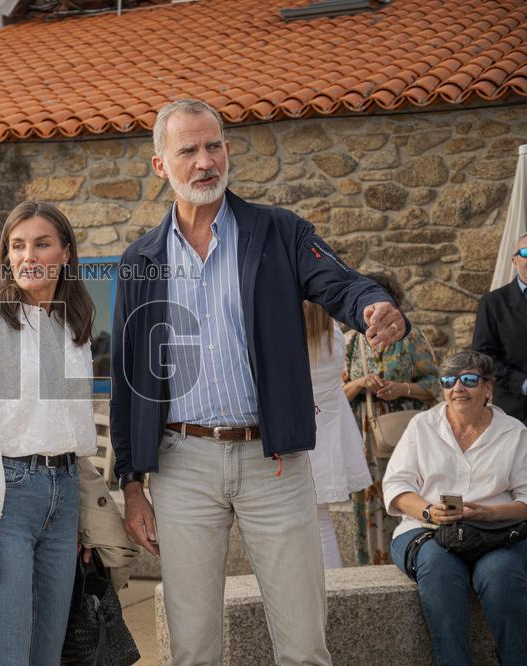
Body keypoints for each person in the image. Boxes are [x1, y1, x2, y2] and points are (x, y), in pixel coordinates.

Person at [110, 98, 408, 666]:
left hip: (273, 462)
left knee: (303, 644)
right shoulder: (140, 260)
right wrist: (131, 483)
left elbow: (344, 284)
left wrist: (375, 305)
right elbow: (130, 378)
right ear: (159, 165)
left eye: (214, 146)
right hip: (181, 465)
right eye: (189, 150)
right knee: (193, 649)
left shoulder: (279, 231)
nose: (205, 162)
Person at [0, 201, 97, 665]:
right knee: (8, 651)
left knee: (47, 652)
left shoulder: (74, 324)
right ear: (6, 257)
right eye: (18, 245)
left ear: (65, 253)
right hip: (7, 497)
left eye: (42, 244)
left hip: (64, 496)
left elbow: (70, 426)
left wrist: (81, 512)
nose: (29, 255)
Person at [382, 350, 527, 665]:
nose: (457, 388)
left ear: (488, 387)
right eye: (449, 381)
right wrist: (428, 512)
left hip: (496, 533)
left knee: (500, 573)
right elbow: (396, 487)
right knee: (439, 569)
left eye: (469, 380)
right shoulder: (422, 426)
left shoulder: (514, 433)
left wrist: (488, 513)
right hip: (427, 529)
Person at [343, 272, 440, 564]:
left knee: (410, 491)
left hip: (408, 433)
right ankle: (374, 565)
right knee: (370, 500)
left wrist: (402, 388)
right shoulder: (350, 342)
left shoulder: (412, 337)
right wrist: (361, 384)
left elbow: (435, 386)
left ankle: (416, 556)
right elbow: (336, 394)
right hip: (366, 438)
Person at [303, 301, 372, 568]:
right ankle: (331, 581)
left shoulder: (286, 338)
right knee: (321, 521)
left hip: (300, 436)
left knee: (305, 521)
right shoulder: (333, 334)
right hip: (328, 431)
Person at [472, 232, 527, 424]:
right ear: (514, 260)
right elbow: (483, 356)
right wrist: (522, 383)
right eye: (526, 252)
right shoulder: (493, 302)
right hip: (515, 407)